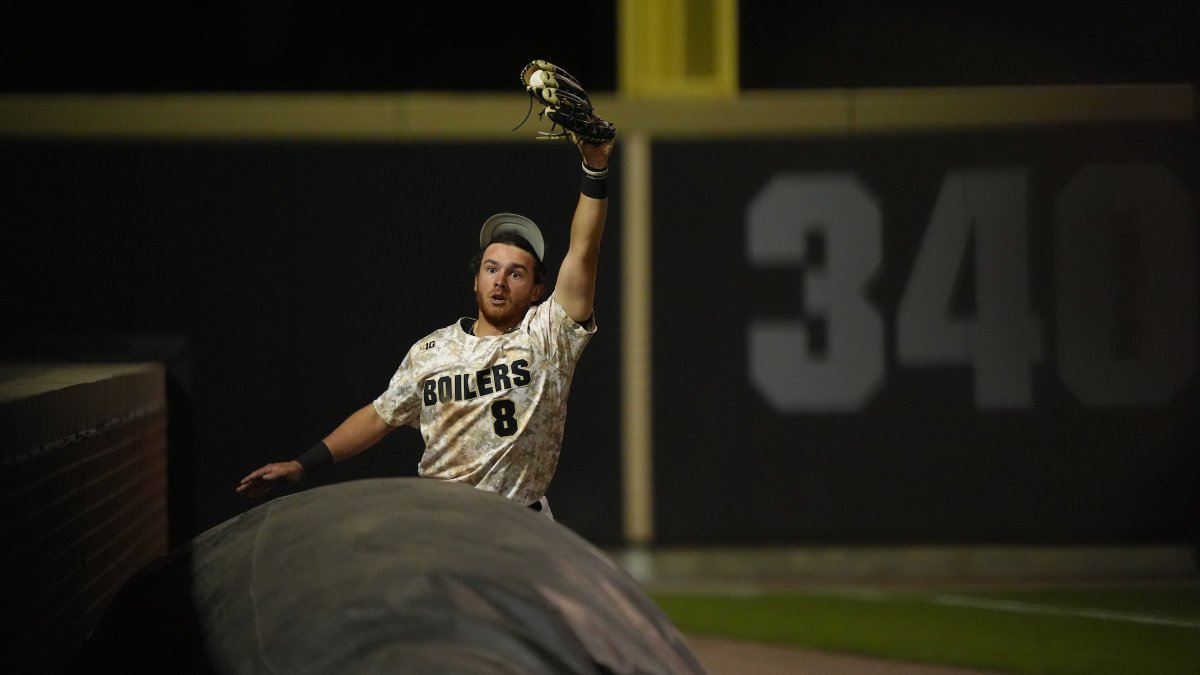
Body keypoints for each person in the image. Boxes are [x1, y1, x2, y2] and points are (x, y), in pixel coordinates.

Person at [236, 137, 614, 519]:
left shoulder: (547, 334)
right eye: (491, 268)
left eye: (516, 273)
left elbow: (584, 250)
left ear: (537, 290)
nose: (500, 281)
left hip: (519, 522)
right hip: (440, 522)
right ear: (475, 281)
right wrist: (303, 464)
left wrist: (595, 169)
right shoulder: (431, 351)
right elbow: (379, 416)